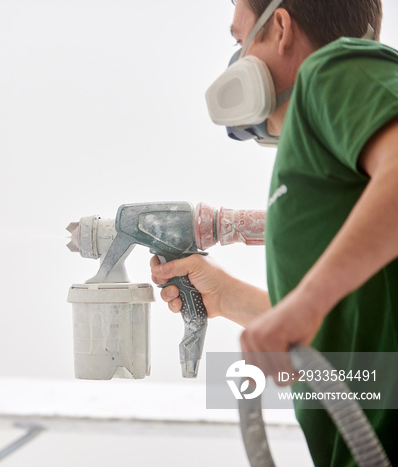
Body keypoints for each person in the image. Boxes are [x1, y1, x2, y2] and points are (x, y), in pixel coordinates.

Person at [150, 0, 398, 464]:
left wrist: (304, 304)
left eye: (239, 39)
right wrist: (227, 298)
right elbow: (351, 338)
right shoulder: (324, 150)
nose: (236, 57)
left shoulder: (335, 68)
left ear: (280, 26)